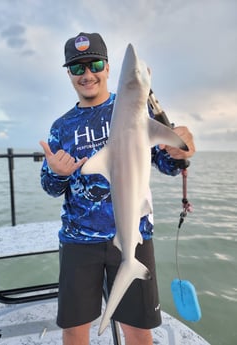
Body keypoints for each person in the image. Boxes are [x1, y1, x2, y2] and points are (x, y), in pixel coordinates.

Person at [40, 32, 195, 345]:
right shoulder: (62, 126)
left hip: (135, 234)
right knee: (74, 329)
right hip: (78, 238)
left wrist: (180, 151)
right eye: (77, 68)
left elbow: (167, 165)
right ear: (69, 74)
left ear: (108, 68)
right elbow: (51, 187)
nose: (87, 74)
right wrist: (56, 174)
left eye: (95, 64)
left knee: (138, 330)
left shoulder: (143, 116)